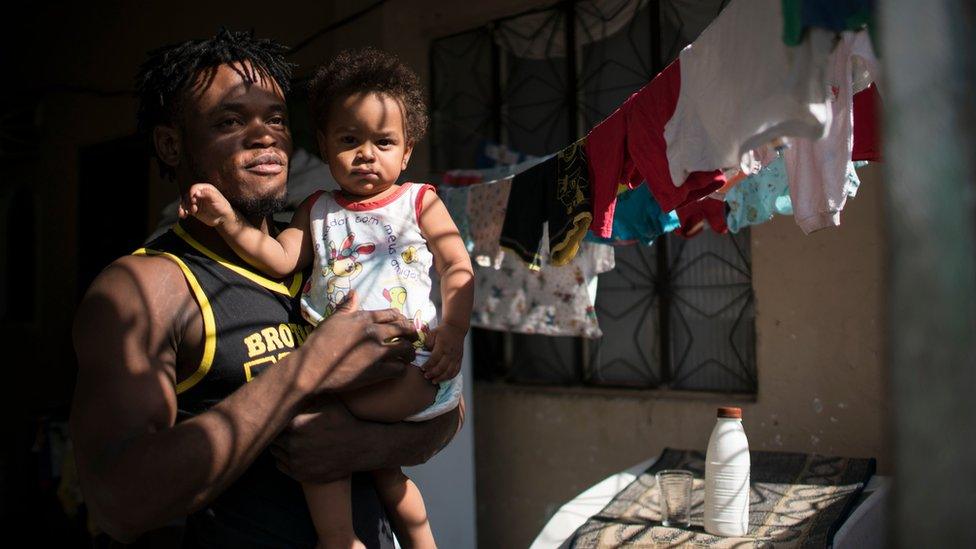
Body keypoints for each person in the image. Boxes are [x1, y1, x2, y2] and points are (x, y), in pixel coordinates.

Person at [68, 29, 463, 548]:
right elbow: (119, 502)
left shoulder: (328, 250)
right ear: (172, 144)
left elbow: (445, 415)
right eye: (231, 121)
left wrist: (361, 445)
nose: (266, 136)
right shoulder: (147, 287)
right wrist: (308, 369)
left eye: (275, 118)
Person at [181, 47, 474, 549]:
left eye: (384, 142)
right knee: (385, 474)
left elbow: (456, 265)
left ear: (406, 153)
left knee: (314, 426)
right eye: (349, 139)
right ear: (323, 146)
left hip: (411, 367)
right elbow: (277, 259)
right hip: (348, 365)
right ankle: (381, 539)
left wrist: (453, 329)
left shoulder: (419, 201)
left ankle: (341, 538)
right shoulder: (316, 210)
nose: (366, 153)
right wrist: (228, 221)